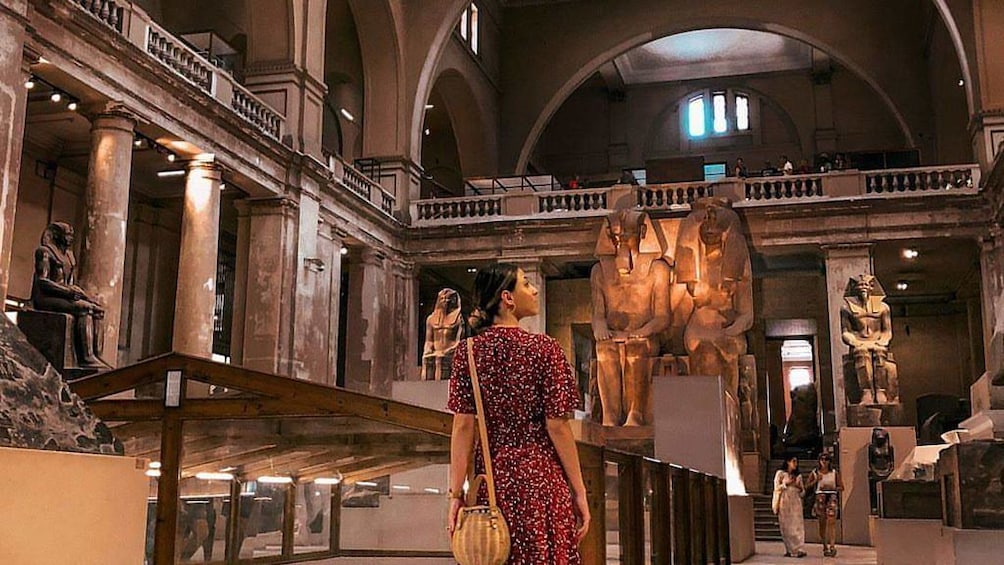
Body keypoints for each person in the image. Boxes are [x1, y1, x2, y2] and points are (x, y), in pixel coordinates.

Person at [447, 263, 590, 564]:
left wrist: (455, 495)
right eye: (526, 284)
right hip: (542, 481)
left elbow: (463, 428)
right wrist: (579, 491)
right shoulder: (545, 349)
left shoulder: (468, 353)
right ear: (507, 298)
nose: (535, 290)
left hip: (493, 483)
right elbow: (558, 427)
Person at [807, 453, 844, 557]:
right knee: (822, 523)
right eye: (822, 459)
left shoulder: (834, 473)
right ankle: (824, 545)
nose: (824, 461)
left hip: (831, 496)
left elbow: (841, 486)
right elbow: (807, 486)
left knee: (832, 522)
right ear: (819, 461)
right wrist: (816, 480)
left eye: (826, 459)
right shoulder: (815, 472)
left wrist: (833, 488)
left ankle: (832, 546)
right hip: (820, 497)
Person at [774, 455, 807, 558]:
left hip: (795, 502)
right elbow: (776, 488)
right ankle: (789, 549)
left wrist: (798, 487)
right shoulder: (780, 474)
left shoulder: (798, 476)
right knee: (786, 525)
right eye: (793, 461)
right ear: (788, 462)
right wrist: (786, 484)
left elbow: (803, 492)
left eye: (796, 462)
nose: (795, 464)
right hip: (785, 501)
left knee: (797, 526)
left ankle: (799, 549)